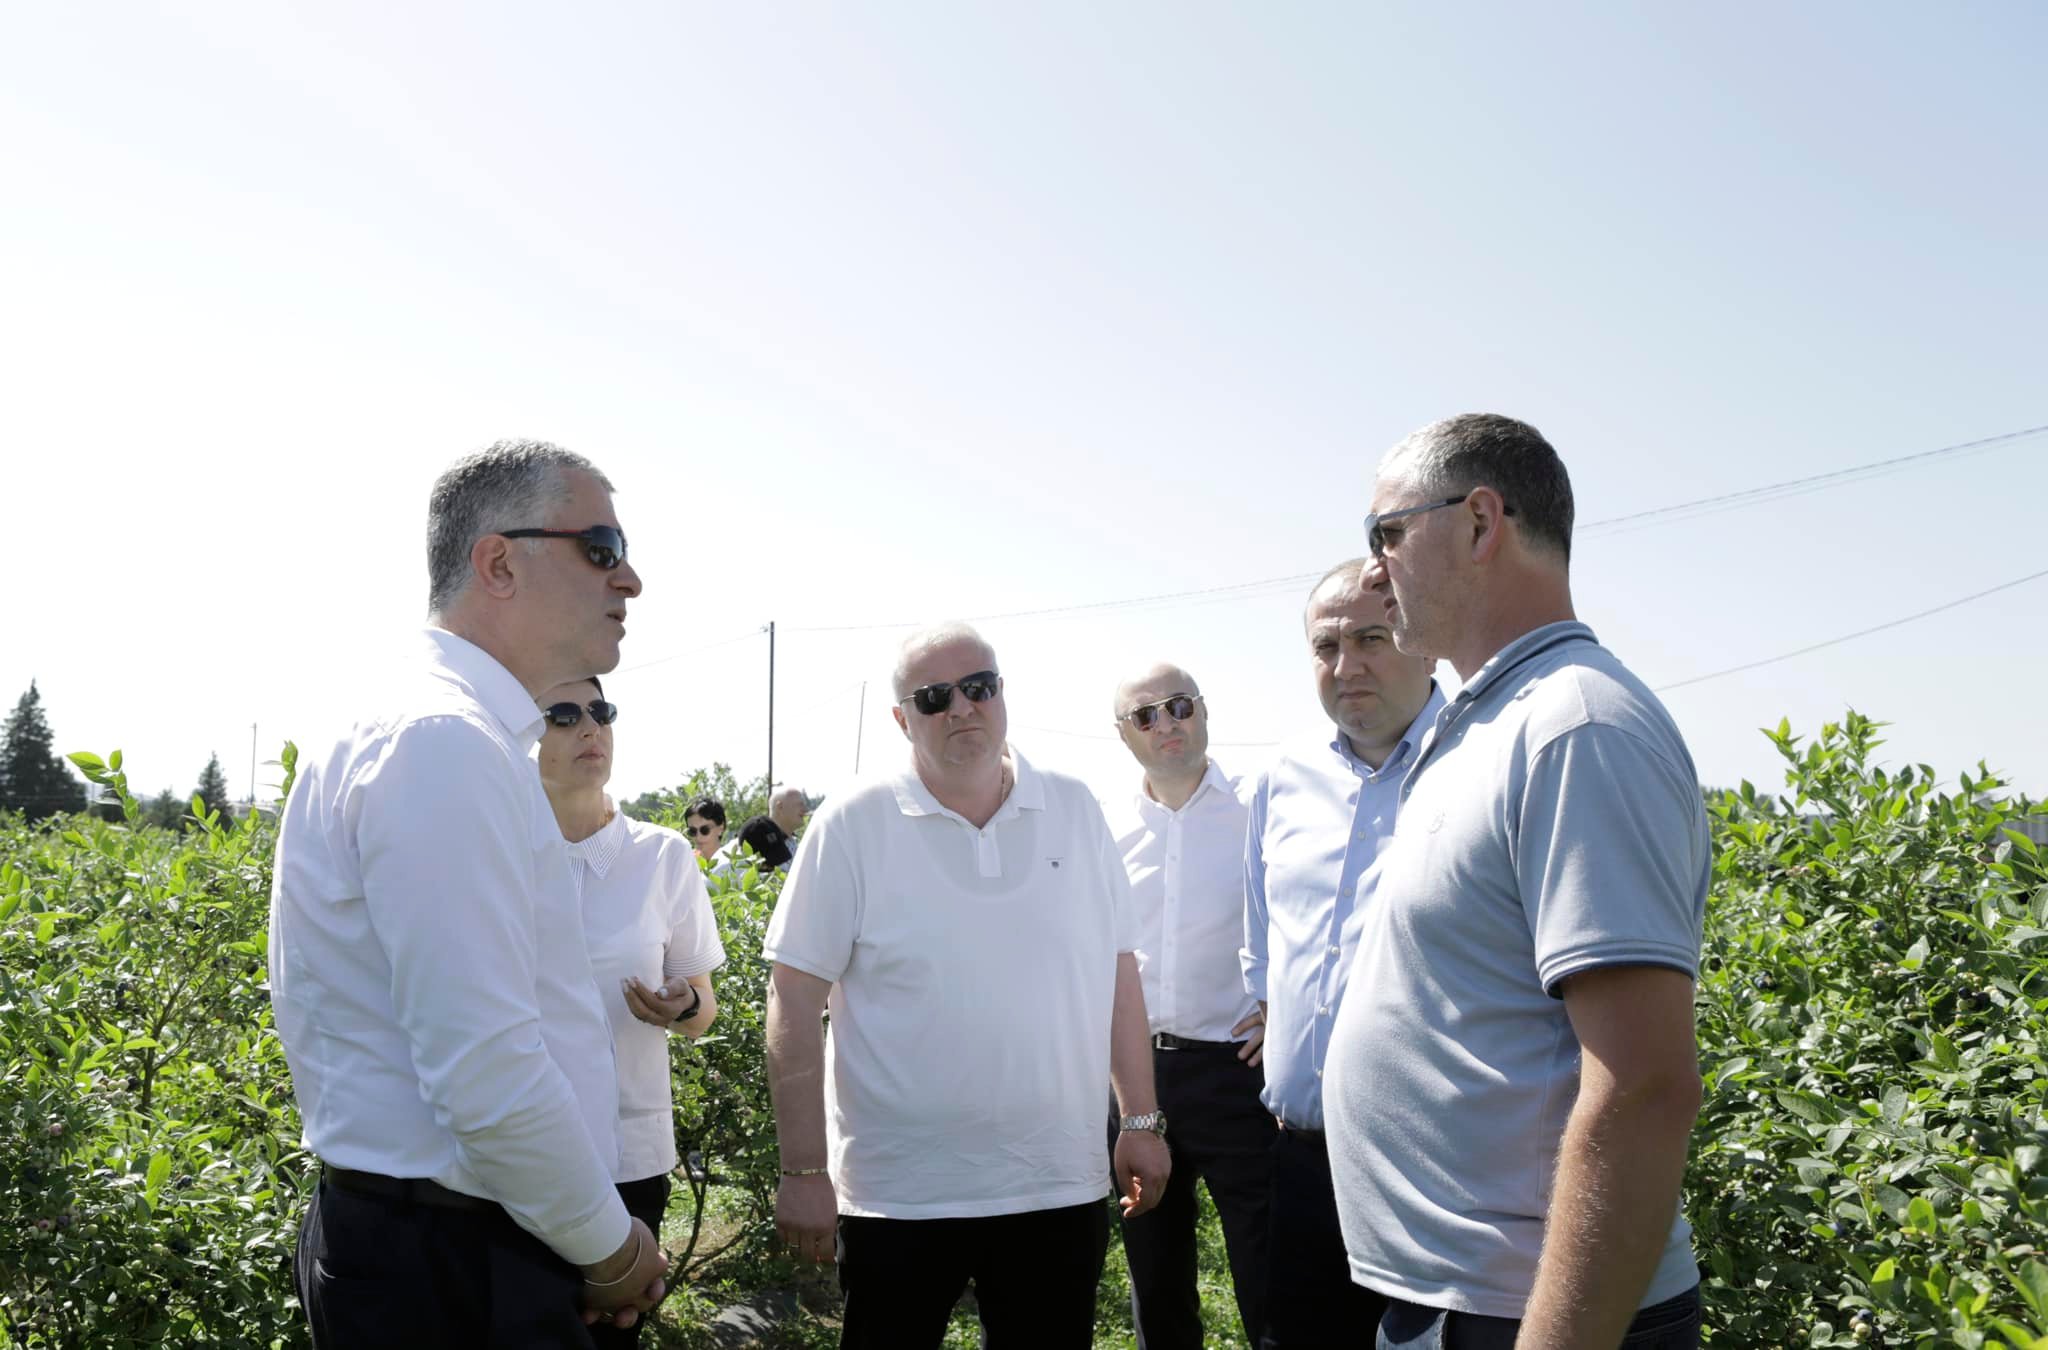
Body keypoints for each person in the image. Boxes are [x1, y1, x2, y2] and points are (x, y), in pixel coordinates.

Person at [270, 438, 667, 1347]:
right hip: (453, 1262)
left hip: (457, 1243)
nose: (630, 579)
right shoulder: (443, 740)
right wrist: (607, 1249)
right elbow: (486, 1072)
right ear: (498, 563)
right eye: (601, 548)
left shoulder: (441, 731)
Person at [1328, 413, 1708, 1349]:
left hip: (1533, 1315)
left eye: (1386, 533)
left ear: (1479, 522)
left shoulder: (1577, 729)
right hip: (1462, 1300)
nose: (1372, 572)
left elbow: (1645, 1087)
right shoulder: (1490, 722)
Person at [761, 622, 1171, 1349]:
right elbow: (793, 998)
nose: (961, 708)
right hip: (897, 1198)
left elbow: (1117, 971)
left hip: (1054, 1185)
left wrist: (1139, 1121)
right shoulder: (852, 822)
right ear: (902, 719)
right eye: (934, 697)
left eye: (978, 687)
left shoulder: (1074, 809)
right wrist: (803, 1168)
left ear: (1001, 692)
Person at [1241, 560, 1441, 1349]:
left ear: (1424, 641)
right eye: (1326, 647)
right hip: (1300, 1169)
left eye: (1371, 638)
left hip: (1433, 1180)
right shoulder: (1282, 780)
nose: (1346, 665)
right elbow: (1266, 942)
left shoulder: (1481, 766)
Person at [535, 675, 726, 1349]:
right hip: (516, 1159)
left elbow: (702, 1007)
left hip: (628, 1159)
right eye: (563, 714)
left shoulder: (661, 856)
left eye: (601, 711)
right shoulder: (496, 854)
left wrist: (682, 1005)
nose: (590, 727)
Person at [1104, 663, 1273, 1349]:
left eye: (1179, 706)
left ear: (1203, 711)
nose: (1166, 724)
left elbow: (1312, 916)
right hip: (1137, 1082)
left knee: (1268, 1279)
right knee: (1157, 1284)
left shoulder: (1261, 810)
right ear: (1124, 734)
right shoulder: (1106, 831)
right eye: (1145, 715)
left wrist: (1285, 1008)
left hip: (1238, 1073)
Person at [682, 796, 727, 862]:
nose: (698, 837)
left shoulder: (733, 864)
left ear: (721, 828)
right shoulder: (685, 862)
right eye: (692, 831)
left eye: (705, 830)